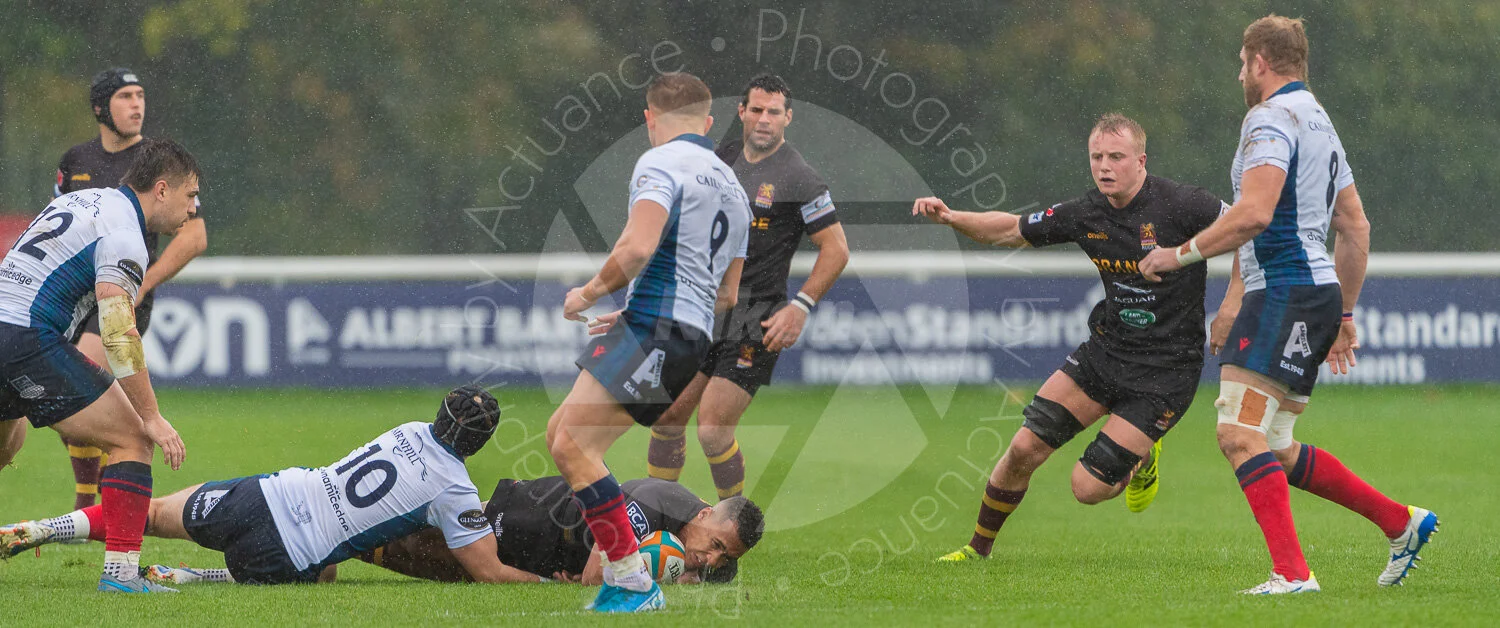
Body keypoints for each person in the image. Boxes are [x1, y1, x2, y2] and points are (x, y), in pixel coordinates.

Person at [1139, 15, 1438, 595]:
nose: (1239, 75)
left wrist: (1176, 256)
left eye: (1240, 62)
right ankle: (1400, 523)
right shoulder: (1320, 121)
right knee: (1272, 441)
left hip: (1282, 288)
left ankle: (1293, 575)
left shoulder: (1269, 118)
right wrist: (1344, 313)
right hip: (1315, 291)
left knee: (1237, 434)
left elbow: (1254, 214)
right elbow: (1355, 227)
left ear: (1259, 62)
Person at [915, 114, 1224, 563]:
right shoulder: (1086, 213)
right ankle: (975, 552)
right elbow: (1009, 230)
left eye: (1116, 157)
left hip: (1165, 373)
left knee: (1086, 488)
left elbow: (1251, 229)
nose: (1104, 166)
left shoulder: (1182, 203)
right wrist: (951, 217)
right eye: (1097, 157)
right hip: (1104, 355)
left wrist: (1233, 301)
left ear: (1141, 161)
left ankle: (1142, 457)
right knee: (1022, 448)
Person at [549, 71, 750, 613]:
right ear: (708, 123)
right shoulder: (734, 188)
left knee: (575, 447)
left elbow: (638, 247)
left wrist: (587, 294)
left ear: (649, 118)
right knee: (561, 436)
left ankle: (633, 581)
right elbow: (726, 293)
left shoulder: (658, 162)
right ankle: (628, 574)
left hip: (657, 328)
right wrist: (631, 309)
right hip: (679, 329)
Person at [2, 387, 545, 588]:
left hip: (267, 493)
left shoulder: (405, 430)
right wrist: (551, 583)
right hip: (286, 554)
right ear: (479, 443)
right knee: (325, 570)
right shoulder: (455, 490)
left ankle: (42, 527)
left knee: (147, 514)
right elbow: (488, 571)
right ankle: (193, 578)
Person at [0, 138, 195, 592]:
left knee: (6, 447)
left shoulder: (82, 199)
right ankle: (123, 577)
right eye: (190, 195)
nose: (193, 208)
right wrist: (152, 418)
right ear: (162, 190)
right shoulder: (126, 236)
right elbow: (118, 331)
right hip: (27, 337)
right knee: (132, 438)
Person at [647, 74, 849, 501]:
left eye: (774, 112)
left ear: (787, 118)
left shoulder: (800, 178)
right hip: (707, 310)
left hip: (756, 319)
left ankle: (729, 532)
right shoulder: (723, 158)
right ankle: (656, 517)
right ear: (741, 112)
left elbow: (836, 250)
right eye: (756, 109)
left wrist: (801, 306)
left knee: (714, 429)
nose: (764, 119)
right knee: (665, 420)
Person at [54, 68, 209, 512]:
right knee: (73, 403)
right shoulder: (75, 161)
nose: (137, 105)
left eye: (141, 95)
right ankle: (91, 498)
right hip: (74, 294)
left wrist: (144, 285)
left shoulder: (160, 160)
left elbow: (195, 237)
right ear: (101, 108)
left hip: (121, 291)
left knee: (81, 378)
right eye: (125, 96)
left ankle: (95, 504)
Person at [338, 476, 761, 587]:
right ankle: (330, 540)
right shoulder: (653, 505)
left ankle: (331, 546)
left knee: (441, 566)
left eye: (726, 557)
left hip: (548, 542)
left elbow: (713, 573)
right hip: (529, 523)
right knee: (425, 553)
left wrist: (691, 573)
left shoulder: (707, 552)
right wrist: (659, 580)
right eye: (716, 546)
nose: (712, 560)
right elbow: (597, 579)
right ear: (704, 515)